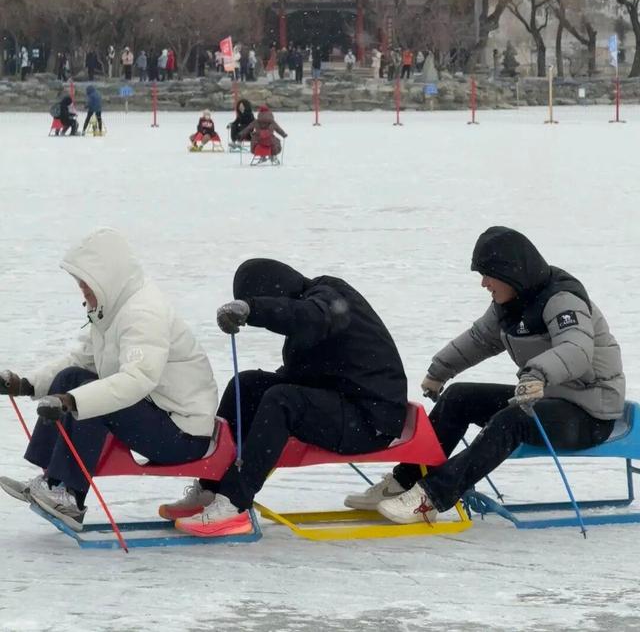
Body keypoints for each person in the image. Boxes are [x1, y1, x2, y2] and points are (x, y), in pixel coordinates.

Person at [343, 226, 625, 525]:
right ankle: (404, 480)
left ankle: (432, 497)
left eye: (488, 274)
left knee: (512, 419)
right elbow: (480, 339)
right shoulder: (511, 305)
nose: (483, 283)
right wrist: (440, 371)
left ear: (510, 272)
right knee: (459, 397)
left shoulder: (562, 300)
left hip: (590, 413)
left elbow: (576, 349)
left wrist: (537, 374)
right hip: (545, 395)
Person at [161, 258, 408, 537]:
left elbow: (309, 315)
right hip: (341, 402)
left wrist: (253, 309)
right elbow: (302, 370)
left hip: (370, 419)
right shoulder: (308, 312)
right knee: (248, 384)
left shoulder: (327, 298)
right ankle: (211, 487)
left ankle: (234, 505)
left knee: (282, 401)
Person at [0, 228, 218, 530]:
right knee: (72, 377)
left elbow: (137, 379)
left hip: (183, 434)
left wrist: (72, 400)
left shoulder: (143, 313)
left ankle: (71, 497)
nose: (83, 293)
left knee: (92, 398)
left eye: (86, 285)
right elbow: (81, 360)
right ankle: (52, 480)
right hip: (157, 414)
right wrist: (26, 384)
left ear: (106, 279)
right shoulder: (111, 307)